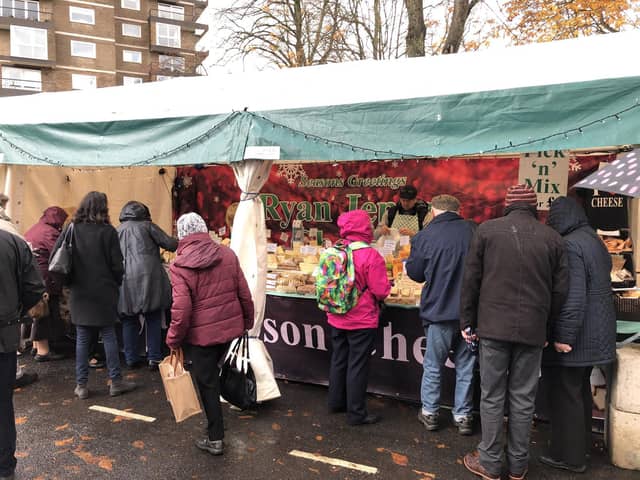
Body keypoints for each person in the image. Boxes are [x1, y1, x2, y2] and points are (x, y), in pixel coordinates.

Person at [460, 184, 568, 480]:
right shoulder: (553, 238)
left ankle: (491, 462)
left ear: (507, 205)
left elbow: (471, 280)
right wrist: (548, 327)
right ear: (534, 207)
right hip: (533, 330)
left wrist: (467, 322)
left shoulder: (486, 231)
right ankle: (518, 465)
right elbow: (560, 292)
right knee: (523, 398)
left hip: (492, 328)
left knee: (492, 396)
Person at [166, 212, 254, 456]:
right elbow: (244, 293)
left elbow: (181, 310)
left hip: (201, 336)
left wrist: (172, 340)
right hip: (229, 330)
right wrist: (247, 321)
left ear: (182, 234)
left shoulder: (178, 265)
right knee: (216, 374)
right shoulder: (227, 254)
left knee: (207, 383)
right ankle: (223, 418)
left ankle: (215, 438)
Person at [540, 196, 616, 473]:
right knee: (579, 391)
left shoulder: (571, 245)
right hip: (597, 333)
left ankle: (569, 458)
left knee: (566, 394)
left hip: (580, 336)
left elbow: (572, 298)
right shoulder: (592, 239)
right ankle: (581, 448)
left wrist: (564, 338)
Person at [405, 194, 477, 435]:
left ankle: (430, 413)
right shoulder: (474, 231)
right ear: (459, 210)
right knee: (466, 366)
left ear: (433, 211)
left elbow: (415, 274)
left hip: (438, 311)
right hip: (471, 314)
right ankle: (463, 416)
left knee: (434, 365)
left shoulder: (425, 236)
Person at [53, 191, 135, 399]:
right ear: (103, 208)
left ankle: (81, 386)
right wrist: (116, 282)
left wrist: (68, 283)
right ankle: (115, 381)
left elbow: (57, 256)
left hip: (79, 291)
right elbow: (117, 265)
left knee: (82, 338)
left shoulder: (72, 228)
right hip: (104, 291)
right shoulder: (108, 231)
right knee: (108, 335)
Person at [327, 209, 391, 426]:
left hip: (336, 315)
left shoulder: (335, 251)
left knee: (338, 358)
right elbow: (381, 291)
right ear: (364, 229)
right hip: (362, 319)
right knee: (357, 364)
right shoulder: (371, 256)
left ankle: (336, 402)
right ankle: (356, 413)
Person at [0, 222, 45, 480]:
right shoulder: (12, 242)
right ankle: (4, 468)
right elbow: (34, 290)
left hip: (5, 334)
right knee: (2, 405)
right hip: (4, 337)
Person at [117, 201, 177, 370]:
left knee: (129, 319)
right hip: (150, 277)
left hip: (125, 278)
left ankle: (131, 358)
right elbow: (171, 245)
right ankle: (154, 357)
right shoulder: (148, 226)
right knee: (153, 317)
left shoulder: (117, 230)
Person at [0, 203, 39, 390]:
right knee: (4, 402)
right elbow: (34, 287)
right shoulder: (11, 238)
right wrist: (17, 311)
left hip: (6, 326)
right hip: (5, 329)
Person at [24, 206, 69, 362]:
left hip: (31, 277)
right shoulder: (50, 233)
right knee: (45, 315)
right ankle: (43, 352)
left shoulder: (33, 229)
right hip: (46, 279)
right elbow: (59, 254)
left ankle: (36, 346)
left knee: (36, 312)